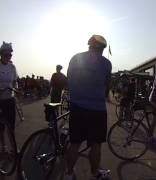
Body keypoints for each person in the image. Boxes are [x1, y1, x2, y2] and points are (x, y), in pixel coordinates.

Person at [65, 35, 112, 180]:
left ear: (89, 45)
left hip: (78, 107)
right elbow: (106, 86)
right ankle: (94, 173)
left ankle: (69, 174)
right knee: (96, 144)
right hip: (97, 109)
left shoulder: (76, 58)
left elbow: (69, 79)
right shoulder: (106, 63)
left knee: (75, 143)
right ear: (103, 48)